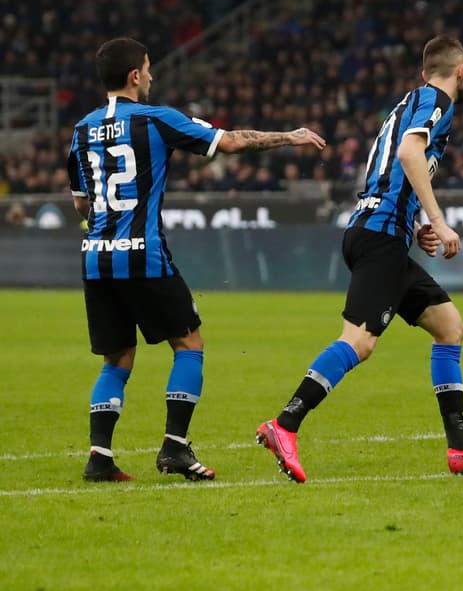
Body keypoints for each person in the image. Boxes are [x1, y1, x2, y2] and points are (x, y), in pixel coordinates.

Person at [68, 37, 327, 482]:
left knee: (117, 359)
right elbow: (228, 143)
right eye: (148, 69)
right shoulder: (156, 118)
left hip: (96, 260)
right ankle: (175, 447)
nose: (151, 76)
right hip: (143, 255)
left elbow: (80, 205)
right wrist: (288, 136)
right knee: (189, 344)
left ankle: (99, 458)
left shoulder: (81, 130)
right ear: (134, 75)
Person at [256, 36, 463, 481]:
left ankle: (461, 447)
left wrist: (416, 228)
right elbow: (409, 155)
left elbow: (388, 174)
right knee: (360, 342)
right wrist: (438, 219)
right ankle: (284, 423)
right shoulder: (436, 101)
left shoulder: (405, 104)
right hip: (378, 237)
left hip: (380, 231)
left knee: (449, 327)